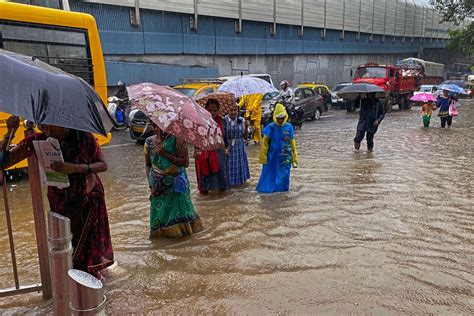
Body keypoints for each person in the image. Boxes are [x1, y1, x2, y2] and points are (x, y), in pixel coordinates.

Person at [0, 116, 114, 277]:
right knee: (64, 246)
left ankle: (90, 287)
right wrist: (10, 132)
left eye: (48, 124)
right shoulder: (39, 140)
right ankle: (71, 286)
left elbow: (102, 165)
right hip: (60, 201)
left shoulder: (84, 137)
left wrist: (73, 168)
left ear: (61, 121)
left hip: (88, 199)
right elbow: (4, 162)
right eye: (41, 124)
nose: (43, 128)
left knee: (87, 253)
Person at [144, 121, 203, 238]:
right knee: (159, 214)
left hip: (176, 185)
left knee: (179, 213)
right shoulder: (149, 142)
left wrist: (165, 154)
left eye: (160, 126)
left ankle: (183, 239)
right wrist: (151, 184)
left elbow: (185, 163)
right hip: (157, 187)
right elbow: (148, 165)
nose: (157, 129)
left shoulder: (178, 139)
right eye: (154, 126)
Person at [257, 103, 298, 193]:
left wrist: (294, 159)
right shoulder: (270, 128)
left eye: (282, 118)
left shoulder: (289, 127)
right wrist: (263, 158)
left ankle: (282, 192)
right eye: (279, 118)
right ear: (275, 117)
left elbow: (292, 143)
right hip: (272, 156)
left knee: (284, 175)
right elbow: (264, 144)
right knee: (269, 173)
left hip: (285, 157)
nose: (280, 120)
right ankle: (267, 190)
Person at [194, 99, 230, 194]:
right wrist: (196, 150)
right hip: (204, 153)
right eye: (209, 110)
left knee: (221, 180)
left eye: (215, 110)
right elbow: (195, 138)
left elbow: (226, 138)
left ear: (218, 110)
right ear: (205, 109)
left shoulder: (222, 121)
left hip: (219, 153)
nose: (212, 112)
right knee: (205, 180)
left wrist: (227, 148)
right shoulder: (199, 121)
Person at [223, 104, 250, 187]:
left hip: (239, 147)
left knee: (239, 166)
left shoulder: (241, 120)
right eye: (231, 110)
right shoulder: (223, 120)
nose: (233, 112)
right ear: (227, 111)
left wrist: (246, 126)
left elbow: (245, 137)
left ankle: (239, 185)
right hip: (228, 147)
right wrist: (224, 147)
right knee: (228, 166)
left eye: (235, 110)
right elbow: (222, 136)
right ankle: (228, 185)